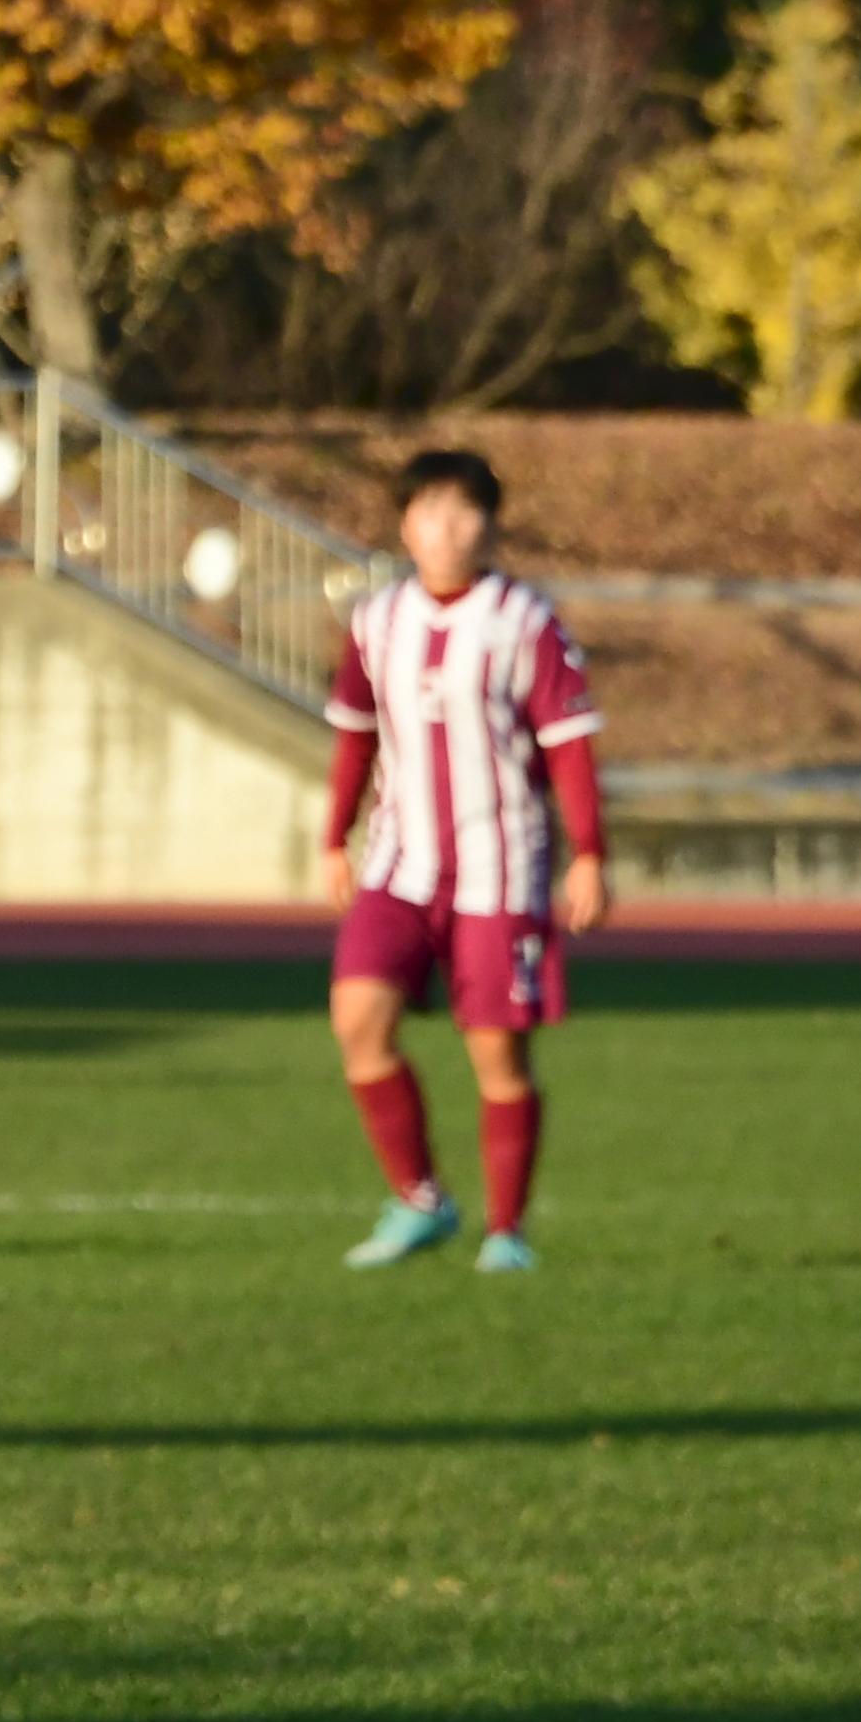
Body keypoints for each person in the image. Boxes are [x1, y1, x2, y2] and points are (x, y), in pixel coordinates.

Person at [322, 447, 608, 1271]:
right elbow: (354, 733)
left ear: (490, 523)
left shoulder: (526, 621)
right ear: (405, 525)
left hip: (501, 869)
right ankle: (420, 1199)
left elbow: (569, 746)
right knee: (358, 1021)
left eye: (464, 512)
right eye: (429, 513)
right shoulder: (376, 621)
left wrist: (589, 854)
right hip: (397, 866)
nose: (447, 530)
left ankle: (506, 1232)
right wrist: (332, 835)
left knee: (496, 1053)